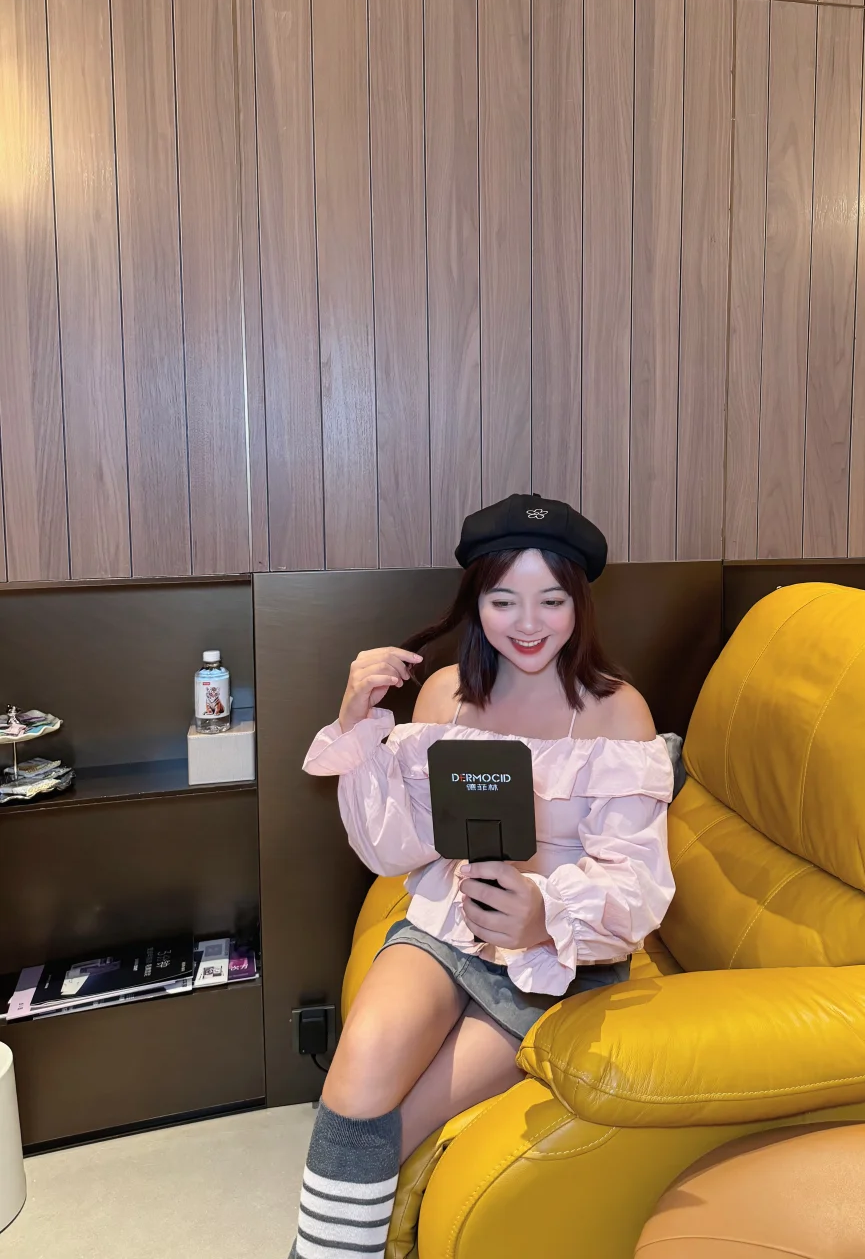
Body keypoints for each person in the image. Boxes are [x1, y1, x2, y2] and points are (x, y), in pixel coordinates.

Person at [287, 493, 676, 1259]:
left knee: (394, 1125)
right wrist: (357, 724)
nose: (528, 623)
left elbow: (637, 888)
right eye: (504, 600)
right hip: (446, 929)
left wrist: (541, 913)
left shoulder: (616, 711)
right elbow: (394, 851)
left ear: (579, 604)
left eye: (551, 600)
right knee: (353, 1088)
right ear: (476, 601)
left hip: (558, 961)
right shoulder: (445, 695)